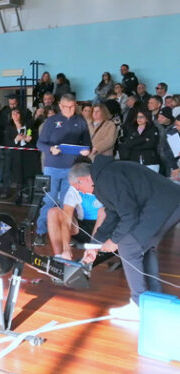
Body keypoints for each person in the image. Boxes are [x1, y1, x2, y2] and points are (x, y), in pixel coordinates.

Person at [74, 158, 180, 320]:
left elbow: (129, 215)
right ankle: (153, 298)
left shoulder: (106, 178)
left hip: (164, 204)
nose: (81, 192)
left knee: (128, 247)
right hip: (170, 201)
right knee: (145, 247)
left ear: (85, 179)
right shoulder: (105, 176)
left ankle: (138, 305)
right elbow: (113, 214)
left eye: (78, 187)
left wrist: (114, 241)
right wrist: (94, 245)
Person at [34, 94, 91, 246]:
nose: (70, 110)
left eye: (73, 106)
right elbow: (40, 144)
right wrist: (50, 149)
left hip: (71, 168)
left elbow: (87, 143)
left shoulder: (80, 121)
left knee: (67, 202)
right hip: (52, 166)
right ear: (60, 106)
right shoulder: (51, 121)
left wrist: (86, 150)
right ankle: (40, 231)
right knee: (49, 200)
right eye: (66, 107)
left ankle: (66, 232)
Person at [47, 158, 105, 260]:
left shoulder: (105, 184)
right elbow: (66, 221)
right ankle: (59, 257)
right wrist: (66, 249)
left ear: (83, 179)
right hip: (83, 228)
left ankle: (93, 249)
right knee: (53, 212)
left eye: (77, 186)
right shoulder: (73, 189)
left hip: (104, 229)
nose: (77, 189)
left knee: (103, 211)